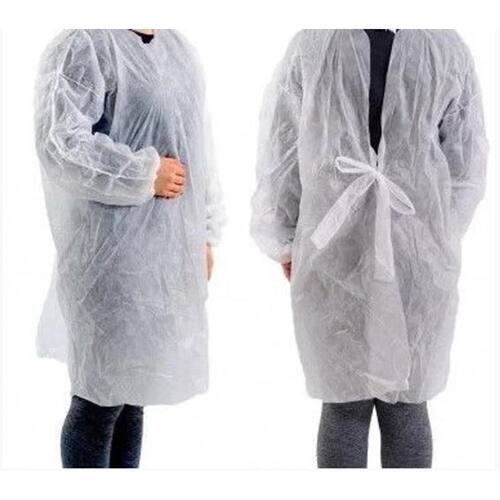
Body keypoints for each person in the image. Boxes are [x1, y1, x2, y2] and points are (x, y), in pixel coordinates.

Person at [251, 29, 488, 468]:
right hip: (415, 254)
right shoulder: (445, 47)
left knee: (348, 402)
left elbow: (282, 149)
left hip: (334, 249)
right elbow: (465, 167)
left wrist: (287, 239)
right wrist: (433, 237)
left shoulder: (314, 43)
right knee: (403, 400)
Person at [35, 29, 225, 468]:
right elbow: (61, 144)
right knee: (98, 399)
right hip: (109, 256)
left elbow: (200, 147)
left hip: (164, 255)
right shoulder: (86, 43)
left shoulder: (181, 50)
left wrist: (204, 232)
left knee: (133, 394)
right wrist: (142, 172)